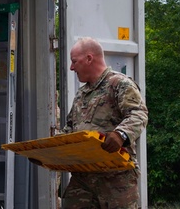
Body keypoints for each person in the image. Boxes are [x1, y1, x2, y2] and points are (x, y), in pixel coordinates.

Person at [61, 37, 148, 209]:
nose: (71, 68)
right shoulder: (82, 93)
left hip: (115, 179)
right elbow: (69, 128)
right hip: (83, 178)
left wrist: (120, 135)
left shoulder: (119, 83)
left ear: (89, 58)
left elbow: (139, 113)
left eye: (74, 62)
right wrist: (49, 152)